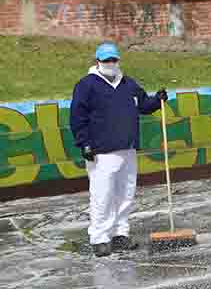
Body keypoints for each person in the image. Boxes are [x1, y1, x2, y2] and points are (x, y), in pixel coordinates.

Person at [70, 43, 167, 257]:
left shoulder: (128, 83)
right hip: (102, 151)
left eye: (113, 60)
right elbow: (77, 117)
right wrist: (84, 143)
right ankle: (100, 238)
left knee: (125, 194)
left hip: (128, 148)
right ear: (98, 61)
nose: (110, 63)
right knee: (102, 195)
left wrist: (157, 100)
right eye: (106, 60)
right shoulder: (86, 85)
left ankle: (120, 234)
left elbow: (143, 105)